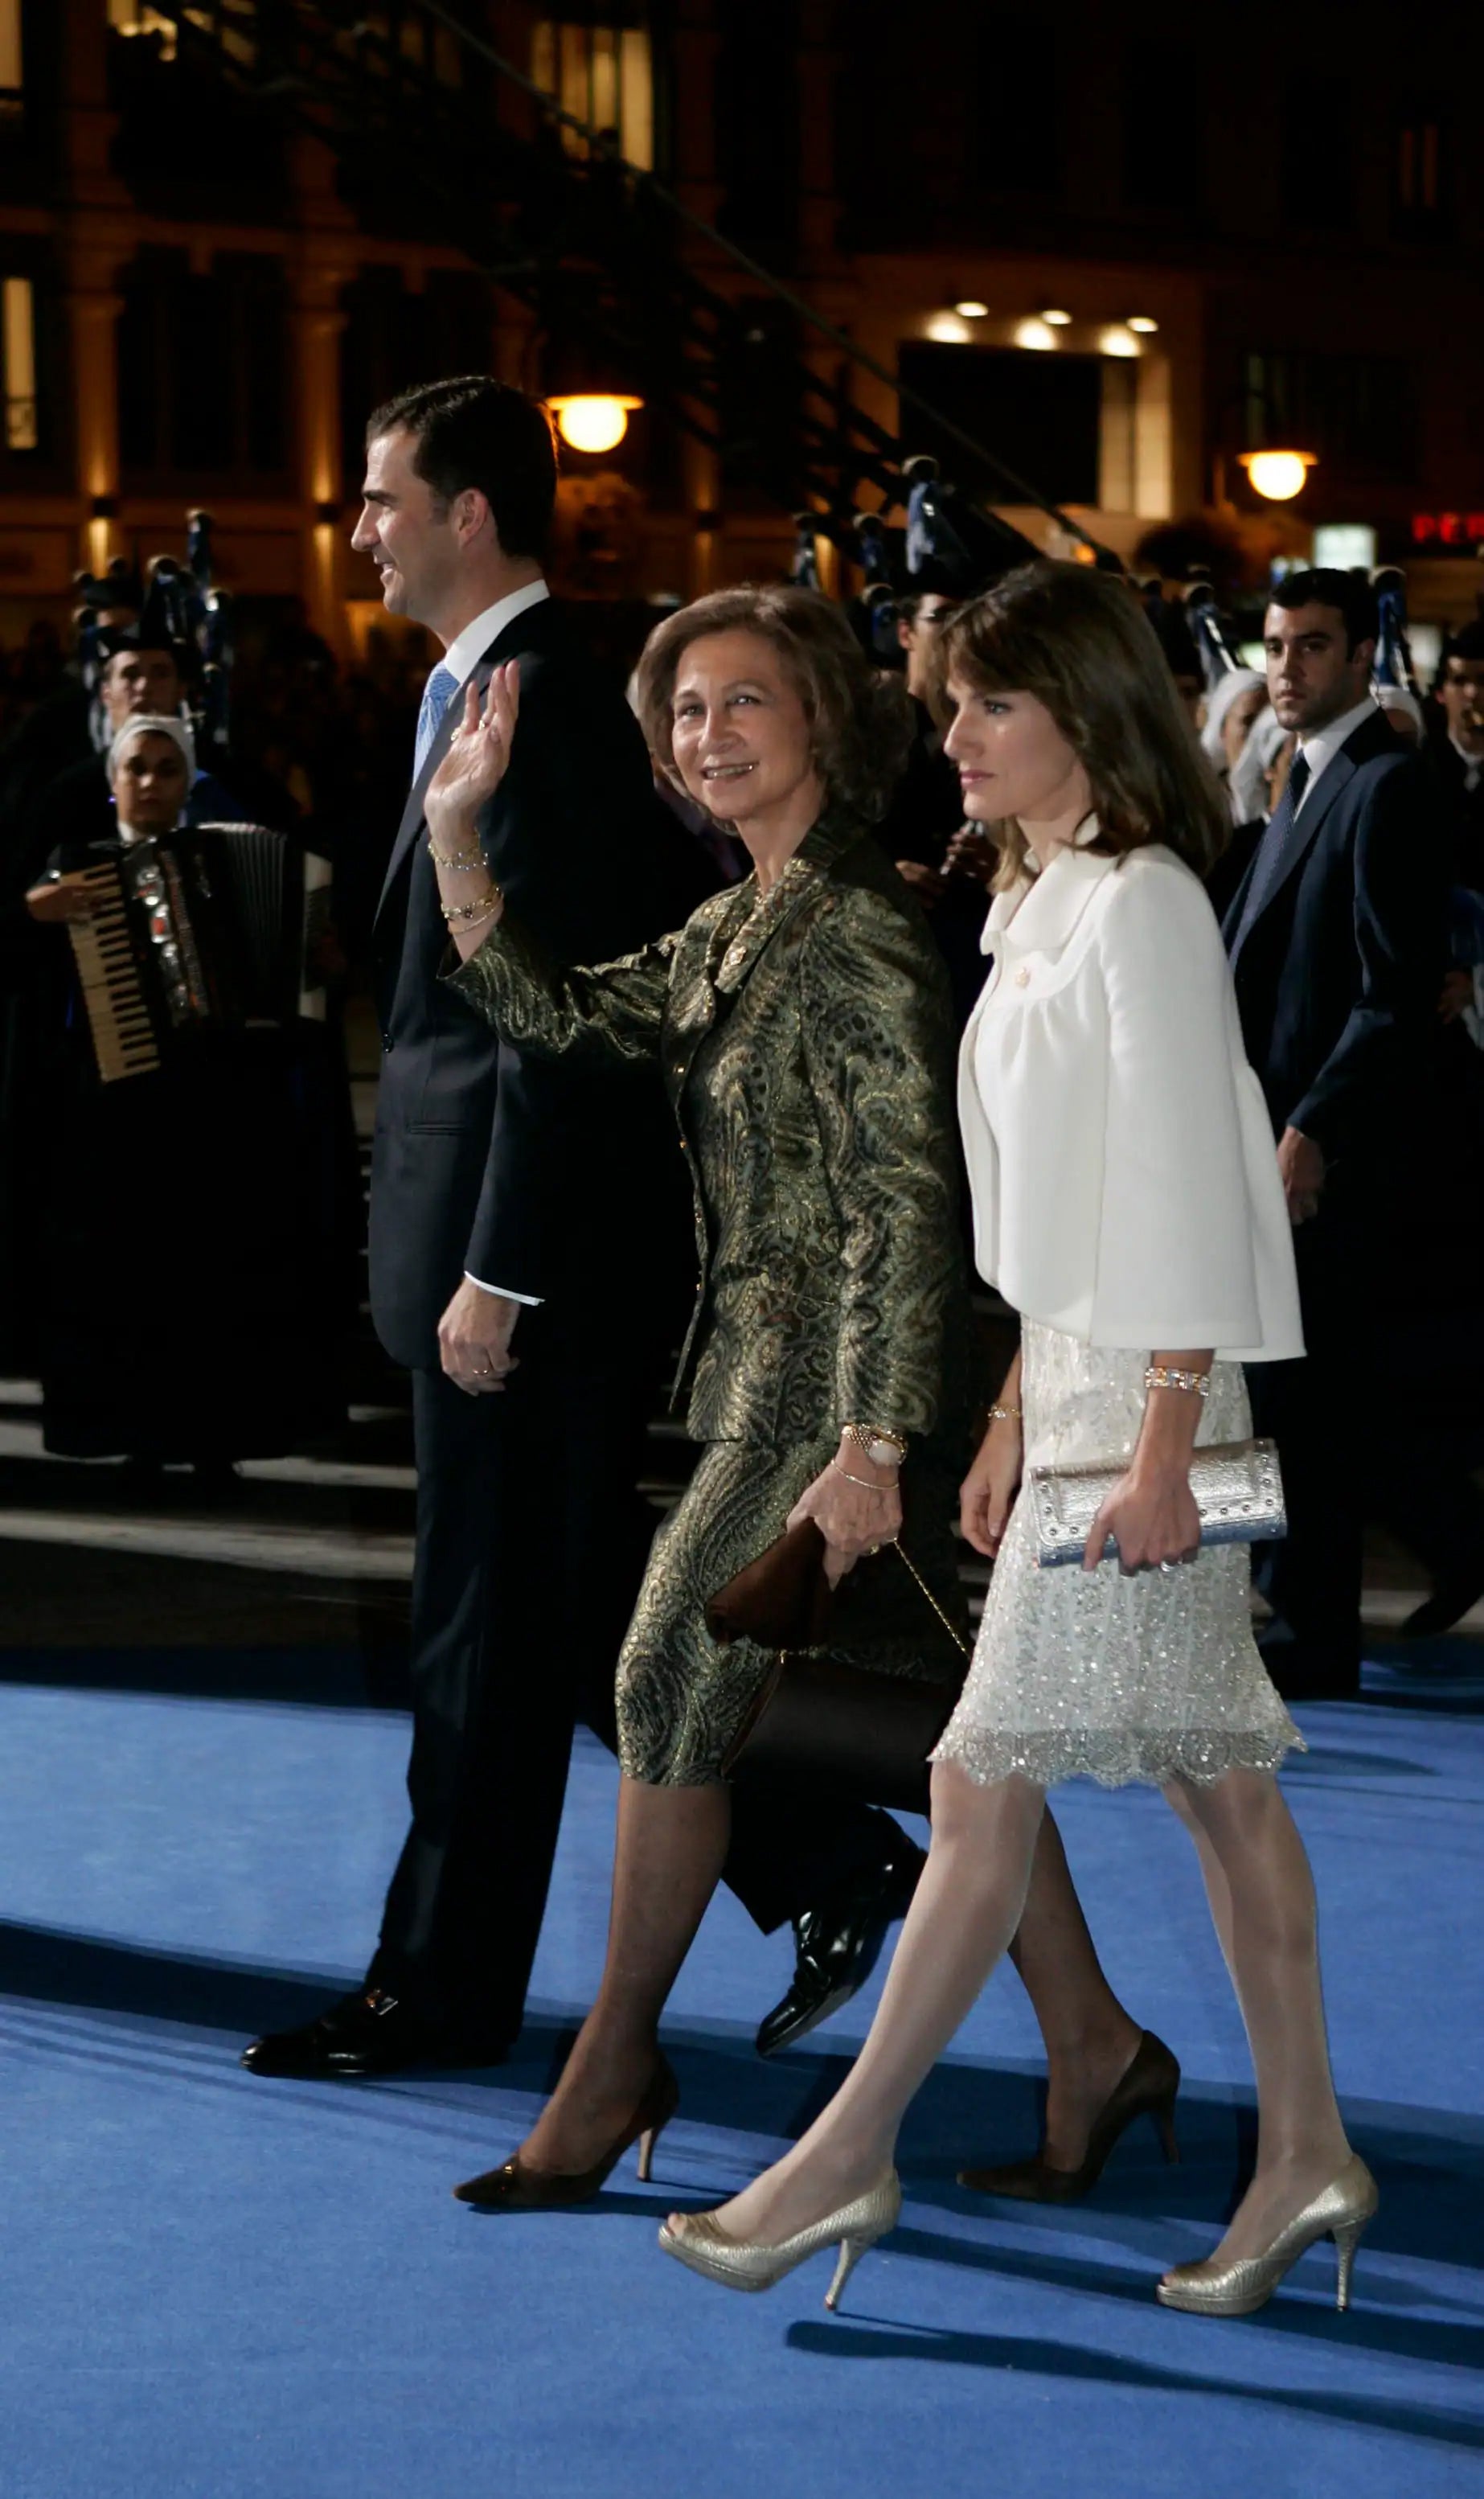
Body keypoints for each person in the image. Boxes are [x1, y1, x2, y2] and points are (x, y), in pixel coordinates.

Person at [661, 560, 1376, 2322]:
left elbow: (1194, 1186)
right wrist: (1001, 1413)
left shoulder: (1135, 900)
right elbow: (1059, 1213)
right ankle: (1304, 2159)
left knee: (978, 1784)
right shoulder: (1036, 895)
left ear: (1082, 712)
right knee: (1221, 1791)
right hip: (1072, 1389)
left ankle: (843, 2157)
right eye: (947, 700)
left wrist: (1147, 1449)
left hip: (1147, 1397)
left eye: (989, 702)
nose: (949, 732)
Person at [242, 385, 928, 2085]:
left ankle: (438, 1994)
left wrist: (501, 1269)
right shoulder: (479, 695)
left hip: (523, 1268)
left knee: (489, 1636)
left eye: (379, 498)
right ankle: (816, 1852)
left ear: (469, 512)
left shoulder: (541, 708)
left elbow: (547, 1037)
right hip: (493, 1249)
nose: (357, 531)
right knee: (546, 1618)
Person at [1225, 569, 1464, 1693]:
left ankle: (1310, 1636)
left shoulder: (1383, 784)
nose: (1285, 668)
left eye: (1310, 647)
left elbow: (1395, 986)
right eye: (1274, 647)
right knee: (1299, 1400)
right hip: (1281, 1140)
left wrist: (1312, 1126)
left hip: (1336, 1157)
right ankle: (1305, 1620)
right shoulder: (1303, 775)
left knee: (1305, 1404)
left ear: (1362, 656)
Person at [23, 716, 351, 1467]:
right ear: (112, 782)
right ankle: (136, 1438)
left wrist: (322, 964)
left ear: (187, 782)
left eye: (167, 769)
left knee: (216, 1276)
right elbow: (33, 982)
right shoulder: (74, 865)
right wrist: (33, 913)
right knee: (132, 1279)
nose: (149, 783)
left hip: (220, 1105)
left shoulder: (221, 851)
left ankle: (216, 1438)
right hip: (118, 1106)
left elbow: (293, 994)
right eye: (136, 768)